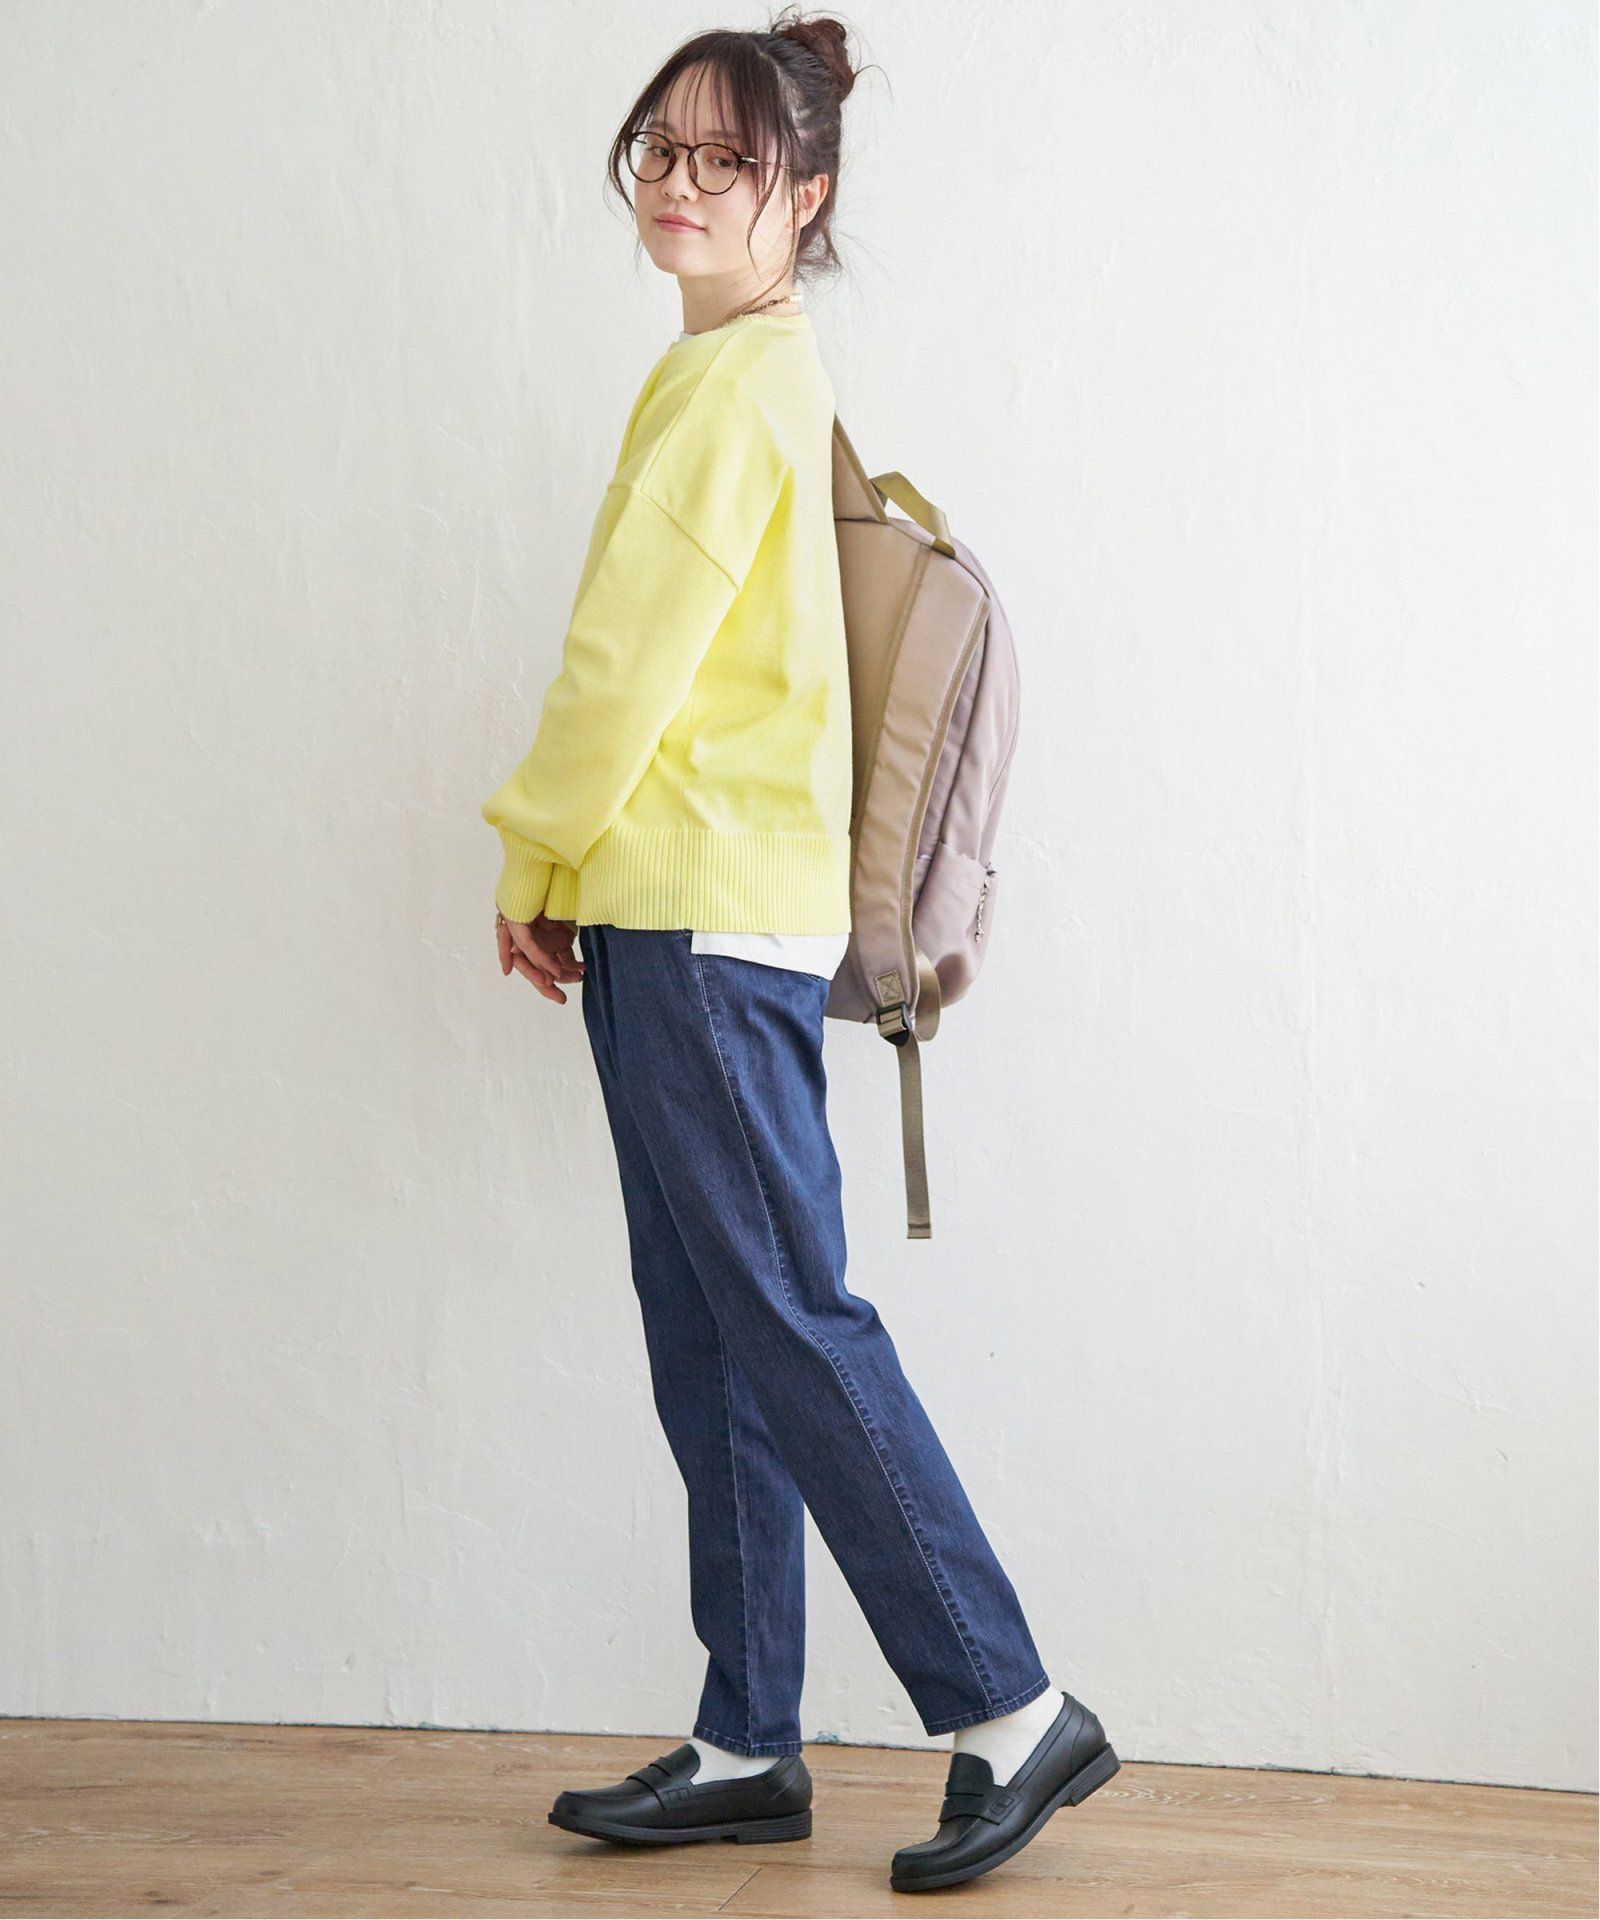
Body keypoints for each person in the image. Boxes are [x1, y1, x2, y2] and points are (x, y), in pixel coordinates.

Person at [480, 10, 1117, 1893]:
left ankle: (1008, 1706)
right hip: (674, 909)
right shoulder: (742, 379)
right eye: (661, 152)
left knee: (784, 1314)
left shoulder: (731, 389)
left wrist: (530, 848)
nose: (681, 186)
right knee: (716, 1325)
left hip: (699, 917)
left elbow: (622, 675)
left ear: (806, 194)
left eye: (728, 160)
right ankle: (750, 1736)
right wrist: (579, 872)